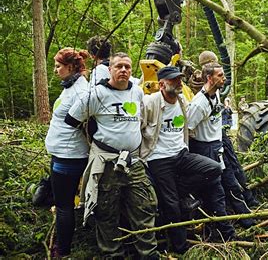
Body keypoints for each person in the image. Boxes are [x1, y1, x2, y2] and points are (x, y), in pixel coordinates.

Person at [65, 52, 159, 258]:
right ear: (110, 69)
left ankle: (148, 253)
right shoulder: (97, 94)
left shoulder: (136, 91)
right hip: (106, 163)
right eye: (119, 66)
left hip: (133, 161)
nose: (123, 70)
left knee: (144, 208)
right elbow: (72, 119)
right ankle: (112, 254)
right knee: (107, 213)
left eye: (127, 66)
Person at [141, 66, 225, 253]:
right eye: (173, 80)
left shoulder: (182, 102)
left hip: (180, 154)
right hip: (158, 159)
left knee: (213, 169)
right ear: (162, 84)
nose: (179, 83)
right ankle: (181, 248)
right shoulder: (150, 103)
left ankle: (174, 192)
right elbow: (138, 128)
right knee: (172, 206)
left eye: (179, 79)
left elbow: (188, 128)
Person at [188, 54, 255, 229]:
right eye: (220, 75)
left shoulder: (215, 94)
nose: (224, 78)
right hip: (206, 150)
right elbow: (187, 128)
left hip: (218, 146)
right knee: (217, 190)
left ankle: (247, 219)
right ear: (209, 78)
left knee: (231, 183)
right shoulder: (198, 104)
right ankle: (226, 229)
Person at [44, 47, 90, 257]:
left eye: (58, 66)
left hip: (69, 156)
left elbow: (86, 124)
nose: (55, 70)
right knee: (63, 202)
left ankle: (62, 249)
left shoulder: (81, 91)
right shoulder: (71, 86)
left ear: (70, 67)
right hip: (61, 153)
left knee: (63, 205)